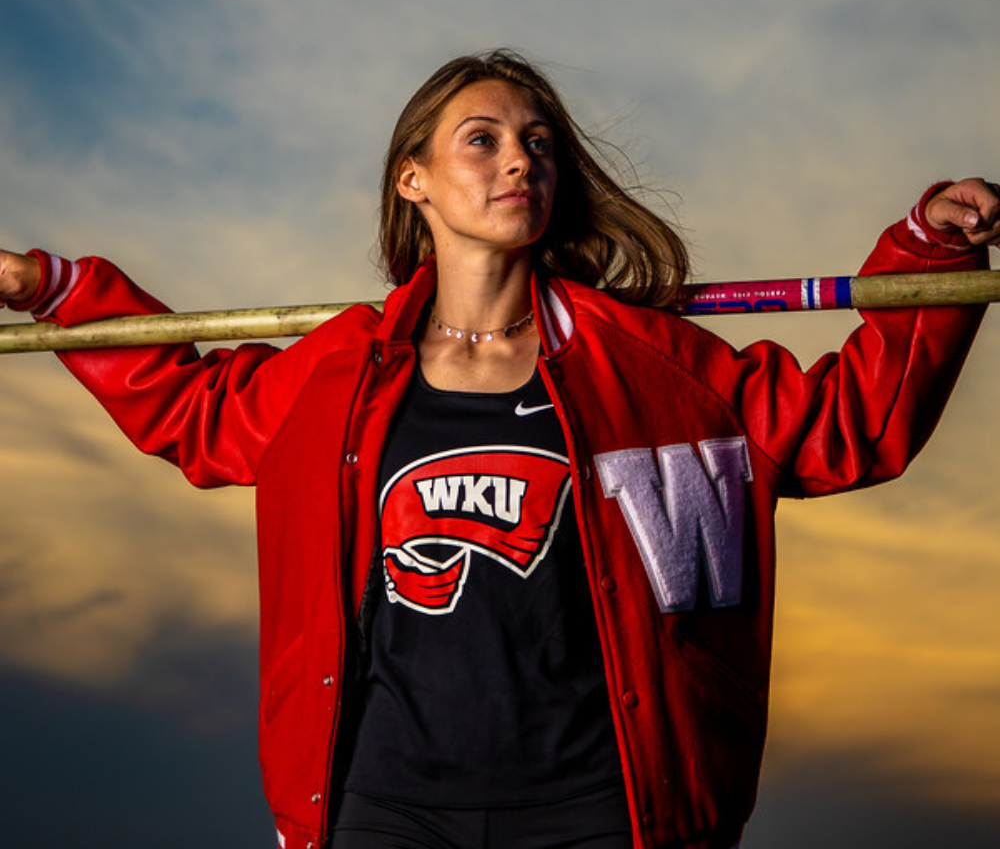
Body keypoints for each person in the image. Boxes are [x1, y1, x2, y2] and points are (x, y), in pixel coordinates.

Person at [1, 50, 997, 849]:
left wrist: (930, 249)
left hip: (606, 807)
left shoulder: (648, 366)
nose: (518, 159)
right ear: (413, 179)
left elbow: (851, 425)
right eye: (480, 140)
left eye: (536, 143)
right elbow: (194, 409)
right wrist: (56, 294)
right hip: (377, 802)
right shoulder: (340, 370)